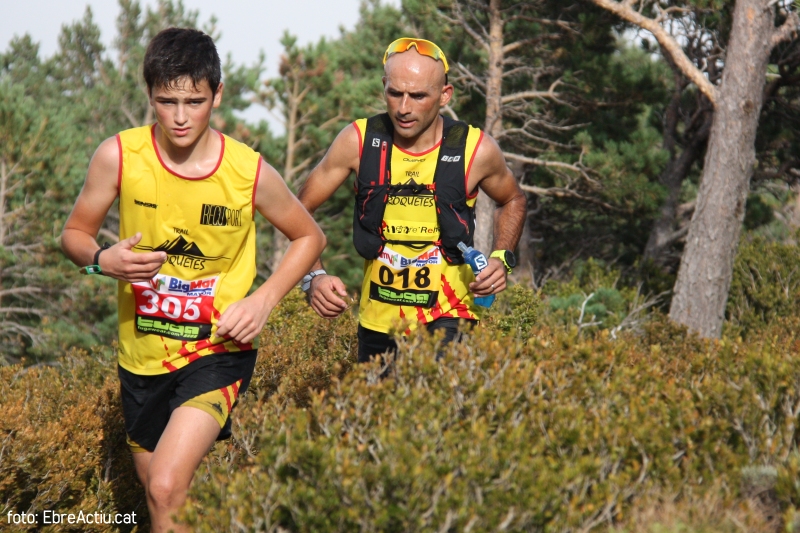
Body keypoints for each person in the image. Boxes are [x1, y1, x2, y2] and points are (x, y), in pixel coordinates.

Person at [60, 28, 325, 533]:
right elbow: (74, 234)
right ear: (150, 96)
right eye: (166, 101)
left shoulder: (247, 171)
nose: (180, 117)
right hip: (141, 358)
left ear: (217, 94)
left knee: (164, 485)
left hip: (216, 352)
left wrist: (264, 301)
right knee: (166, 502)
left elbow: (308, 237)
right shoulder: (118, 156)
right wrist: (101, 259)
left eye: (194, 101)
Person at [297, 37, 526, 363]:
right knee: (379, 413)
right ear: (384, 86)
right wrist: (313, 277)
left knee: (438, 409)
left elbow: (513, 199)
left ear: (444, 96)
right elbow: (297, 210)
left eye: (418, 96)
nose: (404, 108)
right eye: (395, 93)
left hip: (450, 313)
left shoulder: (475, 149)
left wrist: (501, 258)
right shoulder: (358, 142)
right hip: (377, 320)